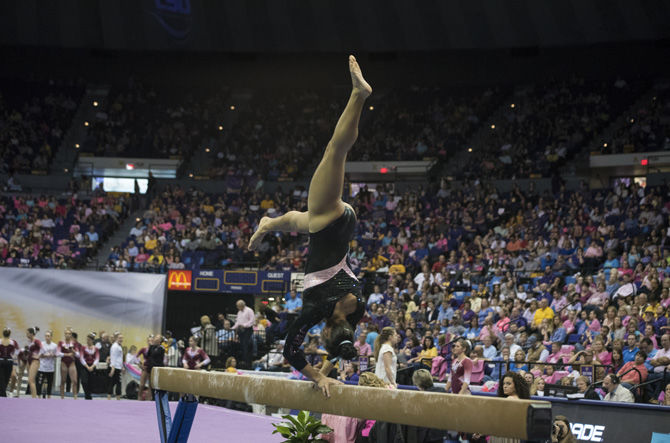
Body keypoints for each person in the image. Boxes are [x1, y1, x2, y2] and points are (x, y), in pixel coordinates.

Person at [248, 55, 372, 397]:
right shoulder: (319, 310)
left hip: (338, 228)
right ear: (328, 331)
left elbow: (340, 343)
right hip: (331, 225)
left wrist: (333, 366)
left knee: (299, 220)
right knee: (335, 150)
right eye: (325, 337)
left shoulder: (355, 312)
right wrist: (318, 377)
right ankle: (359, 95)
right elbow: (291, 350)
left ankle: (267, 224)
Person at [231, 300, 255, 368]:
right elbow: (237, 322)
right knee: (241, 346)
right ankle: (242, 361)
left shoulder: (249, 310)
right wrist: (232, 328)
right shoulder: (239, 312)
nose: (237, 307)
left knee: (246, 346)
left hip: (247, 330)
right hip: (240, 330)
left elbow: (252, 321)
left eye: (238, 306)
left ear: (242, 305)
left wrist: (244, 325)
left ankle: (247, 363)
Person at [58, 328, 79, 399]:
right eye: (66, 333)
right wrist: (67, 355)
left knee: (75, 381)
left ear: (71, 335)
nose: (67, 335)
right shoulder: (61, 343)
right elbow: (57, 353)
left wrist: (73, 351)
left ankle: (75, 397)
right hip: (64, 362)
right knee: (63, 381)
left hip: (71, 363)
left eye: (69, 334)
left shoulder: (74, 343)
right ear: (64, 334)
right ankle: (62, 397)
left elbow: (78, 355)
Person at [37, 331, 57, 398]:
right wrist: (46, 355)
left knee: (49, 384)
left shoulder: (54, 345)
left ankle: (49, 397)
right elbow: (39, 355)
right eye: (46, 336)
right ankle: (39, 397)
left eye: (48, 336)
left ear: (51, 337)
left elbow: (56, 355)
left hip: (50, 368)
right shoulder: (41, 344)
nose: (47, 337)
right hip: (42, 367)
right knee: (39, 383)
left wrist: (53, 355)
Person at [79, 333, 99, 400]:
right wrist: (87, 367)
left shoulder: (96, 349)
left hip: (92, 366)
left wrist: (92, 366)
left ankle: (89, 395)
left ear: (92, 340)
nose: (88, 341)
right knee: (84, 381)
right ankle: (87, 395)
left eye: (89, 340)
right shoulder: (83, 347)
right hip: (85, 366)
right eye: (87, 340)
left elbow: (97, 359)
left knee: (91, 382)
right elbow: (81, 358)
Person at [0, 327, 19, 397]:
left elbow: (17, 353)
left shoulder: (0, 341)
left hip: (2, 361)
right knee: (5, 379)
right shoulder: (13, 342)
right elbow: (17, 353)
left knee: (2, 379)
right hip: (8, 361)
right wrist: (15, 363)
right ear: (10, 334)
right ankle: (3, 394)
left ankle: (2, 394)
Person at [26, 327, 42, 398]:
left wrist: (38, 356)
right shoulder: (30, 341)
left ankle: (34, 399)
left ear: (32, 334)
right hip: (29, 361)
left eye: (27, 333)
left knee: (31, 380)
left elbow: (43, 349)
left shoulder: (36, 341)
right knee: (31, 381)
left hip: (35, 361)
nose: (26, 334)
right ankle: (34, 396)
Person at [108, 333, 124, 400]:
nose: (121, 339)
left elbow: (120, 358)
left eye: (122, 338)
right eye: (120, 338)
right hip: (115, 367)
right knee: (113, 383)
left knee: (116, 383)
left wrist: (122, 366)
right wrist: (112, 368)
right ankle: (110, 397)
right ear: (116, 338)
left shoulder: (119, 346)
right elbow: (113, 358)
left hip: (118, 367)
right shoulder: (115, 346)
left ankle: (117, 397)